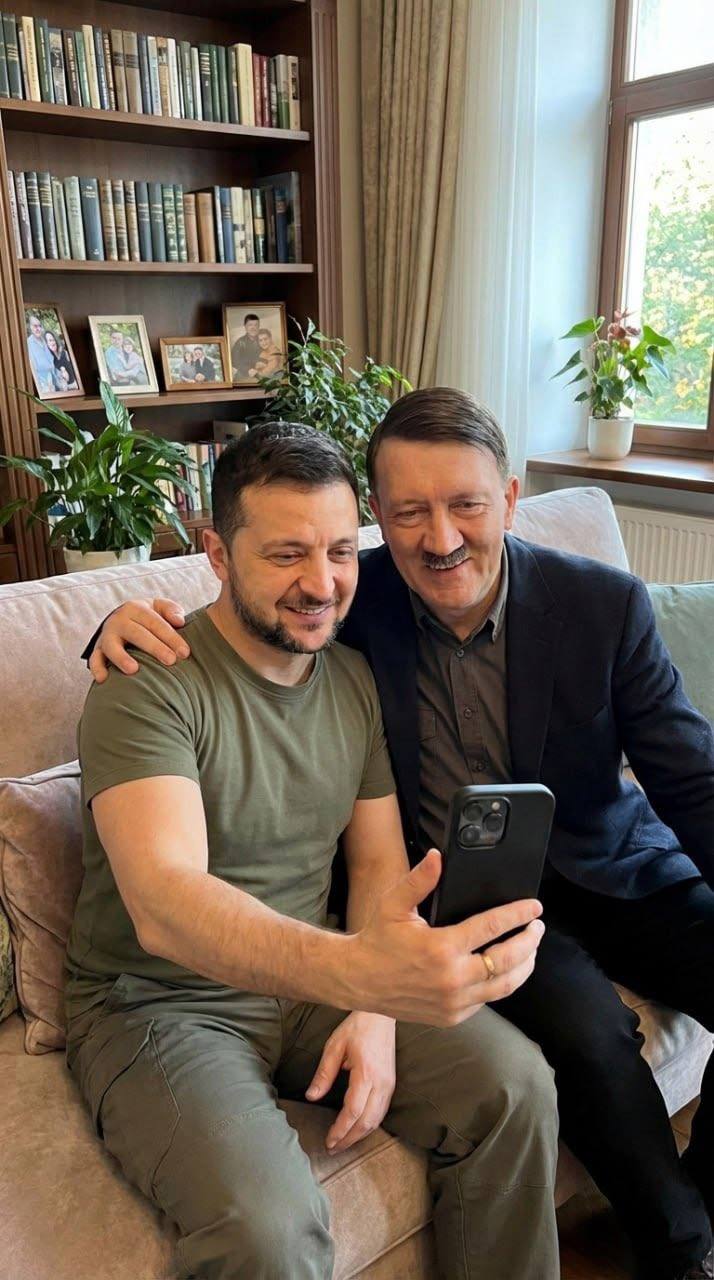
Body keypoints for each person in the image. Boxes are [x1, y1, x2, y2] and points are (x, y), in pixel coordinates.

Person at [90, 388, 714, 1280]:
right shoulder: (341, 614)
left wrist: (372, 995)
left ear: (510, 497)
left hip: (609, 867)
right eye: (410, 512)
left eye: (466, 504)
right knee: (581, 1036)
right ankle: (682, 1255)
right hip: (457, 900)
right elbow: (171, 877)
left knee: (530, 1077)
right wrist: (108, 623)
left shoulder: (589, 606)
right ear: (381, 516)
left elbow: (690, 777)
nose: (441, 537)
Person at [26, 312, 60, 395]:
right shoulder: (28, 343)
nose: (38, 328)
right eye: (35, 326)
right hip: (42, 385)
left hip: (55, 380)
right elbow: (34, 368)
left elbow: (54, 360)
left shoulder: (45, 340)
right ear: (29, 327)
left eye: (39, 326)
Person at [230, 313, 261, 381]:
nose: (253, 328)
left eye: (256, 325)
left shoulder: (263, 340)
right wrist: (247, 369)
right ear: (245, 326)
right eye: (250, 325)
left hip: (261, 371)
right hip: (244, 374)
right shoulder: (240, 342)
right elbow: (233, 360)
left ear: (259, 326)